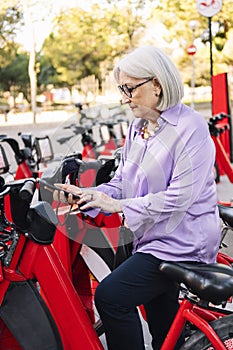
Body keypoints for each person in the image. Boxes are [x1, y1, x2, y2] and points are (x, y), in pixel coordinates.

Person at [55, 46, 221, 350]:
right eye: (122, 89)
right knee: (164, 329)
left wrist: (118, 205)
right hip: (151, 239)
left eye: (130, 88)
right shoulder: (138, 127)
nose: (124, 98)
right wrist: (92, 195)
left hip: (183, 242)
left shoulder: (190, 127)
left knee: (111, 297)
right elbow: (123, 182)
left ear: (156, 85)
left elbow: (179, 198)